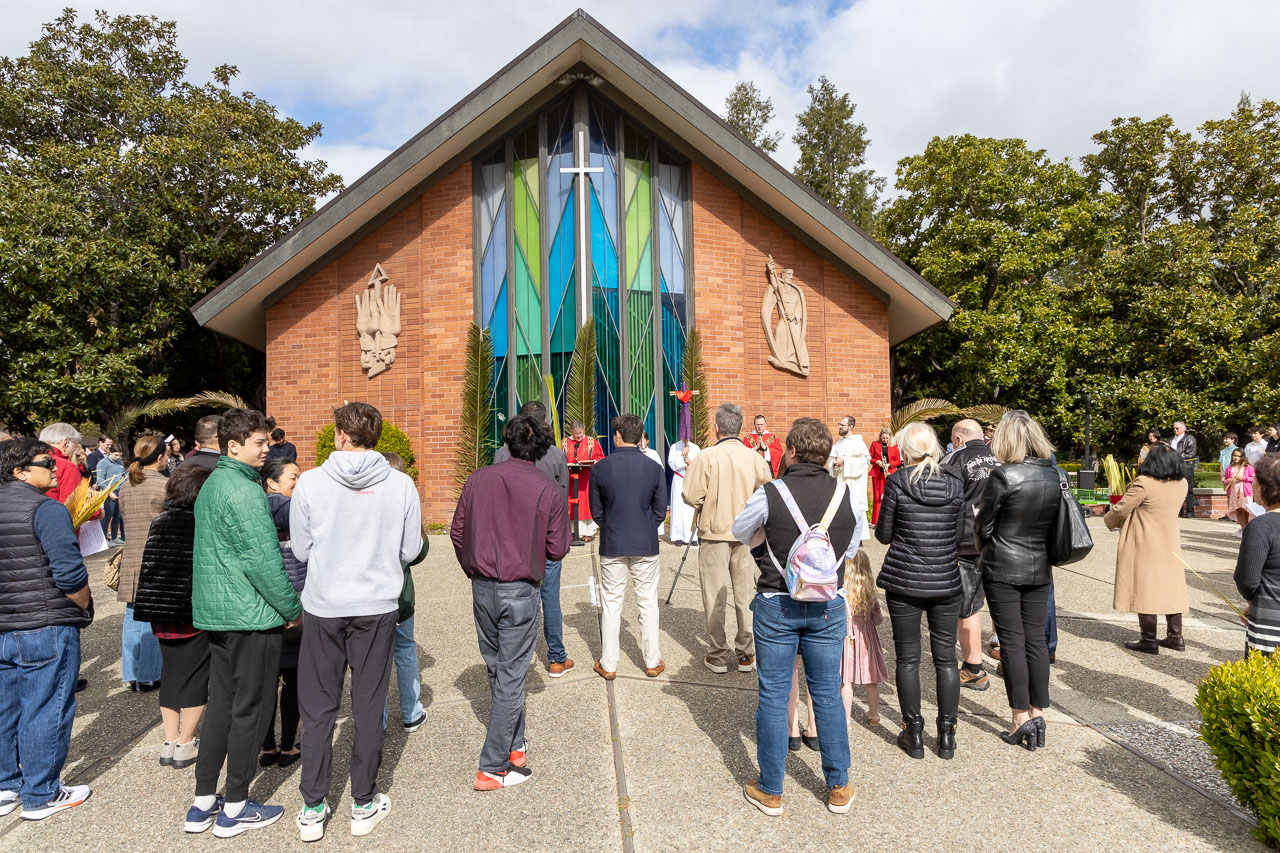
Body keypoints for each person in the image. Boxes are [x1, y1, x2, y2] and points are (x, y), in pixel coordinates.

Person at [290, 402, 423, 840]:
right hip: (376, 605)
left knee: (318, 707)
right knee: (368, 703)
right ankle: (363, 802)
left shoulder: (310, 482)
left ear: (341, 435)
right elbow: (410, 551)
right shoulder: (400, 484)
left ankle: (313, 807)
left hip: (324, 605)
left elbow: (301, 550)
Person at [732, 417, 859, 816]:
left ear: (790, 451)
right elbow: (853, 546)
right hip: (828, 604)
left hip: (777, 600)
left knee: (773, 695)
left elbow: (740, 530)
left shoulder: (771, 492)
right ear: (827, 454)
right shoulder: (846, 493)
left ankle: (771, 789)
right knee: (827, 694)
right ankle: (838, 786)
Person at [186, 408, 302, 838]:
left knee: (221, 705)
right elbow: (263, 561)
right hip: (250, 616)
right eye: (259, 442)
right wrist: (291, 608)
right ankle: (235, 805)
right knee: (251, 708)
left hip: (219, 614)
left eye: (266, 441)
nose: (267, 448)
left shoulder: (213, 484)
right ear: (233, 446)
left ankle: (202, 802)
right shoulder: (245, 490)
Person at [452, 413, 570, 791]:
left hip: (483, 585)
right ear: (541, 448)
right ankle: (492, 766)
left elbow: (458, 532)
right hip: (519, 587)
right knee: (510, 674)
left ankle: (514, 744)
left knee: (499, 670)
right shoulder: (547, 488)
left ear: (508, 441)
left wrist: (473, 566)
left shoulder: (478, 479)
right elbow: (558, 548)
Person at [0, 438, 93, 820]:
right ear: (19, 471)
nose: (55, 468)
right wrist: (84, 605)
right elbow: (69, 574)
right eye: (45, 462)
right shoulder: (46, 509)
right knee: (45, 708)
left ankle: (6, 785)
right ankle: (41, 792)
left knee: (6, 709)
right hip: (45, 623)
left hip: (7, 625)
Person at [875, 422, 965, 760]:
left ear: (906, 449)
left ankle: (912, 733)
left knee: (908, 658)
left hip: (905, 579)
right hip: (945, 580)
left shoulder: (898, 481)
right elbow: (958, 536)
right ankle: (947, 735)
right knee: (946, 659)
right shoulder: (955, 483)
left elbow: (883, 534)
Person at [976, 410, 1060, 752]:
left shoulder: (1004, 474)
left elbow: (984, 525)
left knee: (1012, 641)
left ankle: (1019, 716)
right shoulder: (1054, 474)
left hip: (1003, 565)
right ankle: (1038, 712)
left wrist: (986, 545)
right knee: (1036, 640)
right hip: (1039, 563)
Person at [133, 465, 215, 771]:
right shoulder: (201, 522)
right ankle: (186, 741)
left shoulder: (161, 520)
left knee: (171, 673)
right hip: (190, 611)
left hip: (160, 612)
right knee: (196, 676)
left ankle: (170, 740)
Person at [682, 403, 772, 674]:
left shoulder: (706, 456)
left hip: (714, 531)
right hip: (747, 534)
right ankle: (746, 653)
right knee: (745, 595)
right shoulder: (753, 457)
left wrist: (709, 501)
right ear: (741, 428)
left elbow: (690, 495)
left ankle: (718, 654)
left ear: (717, 428)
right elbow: (767, 493)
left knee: (714, 595)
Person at [493, 401, 573, 677]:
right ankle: (556, 657)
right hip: (546, 538)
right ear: (544, 423)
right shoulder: (555, 455)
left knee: (513, 600)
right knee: (550, 599)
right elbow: (561, 499)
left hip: (511, 539)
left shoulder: (502, 453)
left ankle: (515, 659)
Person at [589, 414, 668, 680]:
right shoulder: (653, 468)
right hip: (645, 543)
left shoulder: (601, 468)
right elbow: (660, 511)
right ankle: (652, 661)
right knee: (647, 602)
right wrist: (645, 526)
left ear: (618, 435)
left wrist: (611, 526)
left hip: (613, 542)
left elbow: (596, 511)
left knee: (612, 604)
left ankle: (609, 663)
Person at [1105, 444, 1191, 653]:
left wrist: (1109, 520)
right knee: (1172, 587)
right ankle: (1175, 637)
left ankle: (1148, 639)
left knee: (1145, 588)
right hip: (1170, 541)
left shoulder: (1144, 483)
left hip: (1145, 540)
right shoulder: (1182, 483)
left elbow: (1122, 508)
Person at [943, 418, 1000, 690]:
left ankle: (973, 668)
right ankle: (1008, 659)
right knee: (1003, 604)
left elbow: (947, 502)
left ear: (958, 439)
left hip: (968, 542)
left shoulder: (954, 459)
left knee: (968, 607)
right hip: (1002, 541)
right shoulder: (1001, 457)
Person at [258, 458, 305, 770]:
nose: (298, 483)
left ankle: (268, 747)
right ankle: (287, 745)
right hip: (293, 605)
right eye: (293, 477)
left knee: (265, 682)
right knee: (292, 679)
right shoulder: (286, 507)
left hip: (264, 608)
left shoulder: (253, 510)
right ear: (271, 482)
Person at [378, 452, 427, 735]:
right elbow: (418, 550)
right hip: (401, 594)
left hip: (371, 595)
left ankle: (379, 720)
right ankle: (411, 713)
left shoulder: (365, 503)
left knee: (376, 657)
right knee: (405, 649)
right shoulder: (406, 498)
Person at [116, 435, 169, 691]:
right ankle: (149, 674)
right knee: (153, 619)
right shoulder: (165, 485)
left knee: (132, 616)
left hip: (131, 556)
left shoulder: (126, 485)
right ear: (159, 458)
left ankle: (132, 673)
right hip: (157, 557)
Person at [1236, 453, 1280, 654]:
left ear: (1265, 486)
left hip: (1270, 621)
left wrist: (1251, 601)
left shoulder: (1260, 527)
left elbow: (1247, 580)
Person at [840, 550, 886, 725]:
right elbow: (878, 620)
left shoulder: (842, 593)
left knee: (847, 681)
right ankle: (874, 714)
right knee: (871, 679)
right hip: (867, 639)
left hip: (847, 639)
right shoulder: (870, 592)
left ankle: (845, 719)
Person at [827, 415, 871, 541]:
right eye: (839, 424)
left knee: (856, 507)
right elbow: (830, 462)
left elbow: (864, 463)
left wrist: (845, 461)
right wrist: (834, 463)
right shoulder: (838, 444)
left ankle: (859, 537)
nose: (840, 427)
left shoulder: (858, 443)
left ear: (850, 427)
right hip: (841, 482)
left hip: (854, 484)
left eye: (842, 425)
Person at [565, 420, 604, 540]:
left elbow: (600, 457)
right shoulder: (564, 443)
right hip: (571, 478)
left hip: (587, 478)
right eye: (576, 434)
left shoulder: (592, 441)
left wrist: (594, 462)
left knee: (586, 503)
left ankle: (588, 532)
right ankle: (573, 532)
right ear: (571, 432)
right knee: (573, 503)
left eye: (581, 433)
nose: (579, 436)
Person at [36, 423, 84, 503]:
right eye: (75, 447)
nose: (74, 451)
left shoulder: (27, 461)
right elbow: (71, 505)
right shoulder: (67, 466)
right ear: (65, 443)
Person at [667, 435, 700, 545]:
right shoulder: (674, 447)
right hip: (679, 479)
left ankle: (692, 536)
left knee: (690, 508)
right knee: (678, 507)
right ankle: (678, 535)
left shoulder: (695, 448)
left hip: (691, 479)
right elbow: (672, 464)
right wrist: (682, 456)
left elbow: (699, 464)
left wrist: (690, 462)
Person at [869, 427, 901, 526]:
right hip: (878, 474)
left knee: (891, 497)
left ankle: (890, 522)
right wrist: (876, 461)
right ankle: (875, 522)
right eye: (883, 438)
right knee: (877, 498)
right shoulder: (875, 444)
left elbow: (898, 461)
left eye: (887, 438)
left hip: (890, 474)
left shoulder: (894, 445)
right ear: (880, 436)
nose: (885, 440)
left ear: (890, 437)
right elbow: (869, 458)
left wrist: (889, 464)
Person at [96, 444, 126, 545]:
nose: (118, 457)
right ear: (110, 452)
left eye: (120, 455)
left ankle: (114, 537)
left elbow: (122, 475)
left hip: (119, 491)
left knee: (117, 515)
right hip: (109, 492)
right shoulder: (103, 463)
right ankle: (104, 538)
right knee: (107, 516)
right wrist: (109, 492)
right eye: (116, 455)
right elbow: (100, 480)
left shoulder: (120, 462)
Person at [638, 431, 666, 538]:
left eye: (643, 439)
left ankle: (656, 532)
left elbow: (660, 469)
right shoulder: (636, 453)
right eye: (640, 440)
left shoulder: (653, 453)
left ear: (647, 441)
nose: (641, 442)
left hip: (650, 484)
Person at [1169, 421, 1198, 518]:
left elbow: (1190, 453)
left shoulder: (1190, 438)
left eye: (1177, 428)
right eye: (1174, 428)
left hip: (1186, 467)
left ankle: (1190, 511)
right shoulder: (1170, 440)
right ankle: (1178, 511)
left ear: (1184, 429)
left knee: (1188, 489)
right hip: (1173, 468)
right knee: (1175, 490)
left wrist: (1175, 457)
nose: (1175, 430)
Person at [1223, 448, 1255, 537]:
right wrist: (1227, 481)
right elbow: (1226, 480)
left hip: (1245, 492)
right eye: (1234, 456)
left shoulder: (1248, 467)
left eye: (1238, 456)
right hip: (1234, 492)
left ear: (1242, 457)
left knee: (1247, 510)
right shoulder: (1229, 468)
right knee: (1239, 510)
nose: (1236, 458)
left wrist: (1243, 478)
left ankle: (1248, 529)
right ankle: (1243, 529)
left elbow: (1254, 479)